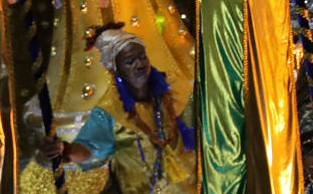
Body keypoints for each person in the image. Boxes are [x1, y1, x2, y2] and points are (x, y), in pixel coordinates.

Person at [42, 25, 197, 194]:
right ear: (115, 69)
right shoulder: (110, 111)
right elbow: (90, 148)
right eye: (129, 61)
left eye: (142, 57)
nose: (139, 64)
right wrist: (65, 150)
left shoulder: (174, 95)